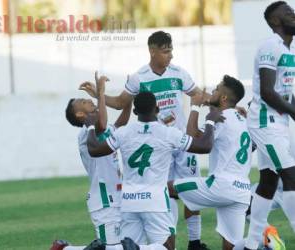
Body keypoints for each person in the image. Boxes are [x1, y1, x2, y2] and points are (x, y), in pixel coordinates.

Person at [80, 30, 209, 250]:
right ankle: (163, 237)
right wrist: (98, 96)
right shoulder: (140, 77)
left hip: (179, 140)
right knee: (163, 191)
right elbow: (121, 102)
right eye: (165, 51)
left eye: (171, 51)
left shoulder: (179, 73)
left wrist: (215, 103)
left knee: (191, 191)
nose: (170, 55)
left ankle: (195, 242)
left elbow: (198, 94)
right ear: (152, 50)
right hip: (159, 145)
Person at [84, 91, 224, 250]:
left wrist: (89, 125)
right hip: (156, 201)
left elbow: (94, 150)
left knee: (132, 247)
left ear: (135, 112)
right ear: (157, 109)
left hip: (129, 201)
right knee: (167, 247)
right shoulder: (168, 132)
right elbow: (204, 146)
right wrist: (210, 122)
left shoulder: (123, 132)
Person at [168, 75, 252, 250]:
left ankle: (163, 245)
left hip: (221, 186)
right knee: (231, 245)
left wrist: (195, 106)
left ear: (223, 97)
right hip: (242, 191)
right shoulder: (244, 119)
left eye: (216, 89)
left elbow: (191, 141)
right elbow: (252, 147)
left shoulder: (220, 117)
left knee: (165, 188)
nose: (211, 91)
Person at [51, 72, 131, 250]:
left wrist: (130, 96)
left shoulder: (101, 128)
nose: (88, 100)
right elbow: (102, 123)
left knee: (119, 247)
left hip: (118, 195)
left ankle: (63, 249)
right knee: (112, 248)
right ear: (80, 114)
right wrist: (101, 93)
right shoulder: (86, 133)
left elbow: (121, 124)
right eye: (83, 101)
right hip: (102, 200)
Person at [245, 2, 295, 249]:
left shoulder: (289, 49)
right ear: (275, 21)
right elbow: (266, 91)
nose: (293, 15)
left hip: (278, 122)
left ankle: (252, 243)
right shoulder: (269, 46)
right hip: (265, 122)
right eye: (288, 13)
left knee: (267, 182)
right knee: (291, 175)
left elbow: (284, 92)